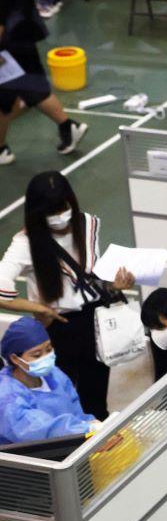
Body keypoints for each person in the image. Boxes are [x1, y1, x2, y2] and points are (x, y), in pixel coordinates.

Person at [0, 172, 134, 419]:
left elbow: (92, 277)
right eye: (52, 211)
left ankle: (97, 440)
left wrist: (114, 286)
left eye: (64, 208)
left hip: (95, 319)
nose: (61, 217)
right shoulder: (26, 243)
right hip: (57, 327)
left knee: (96, 395)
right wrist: (37, 308)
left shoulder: (88, 224)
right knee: (58, 397)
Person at [0, 0, 87, 164]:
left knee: (8, 96)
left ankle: (1, 150)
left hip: (9, 43)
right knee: (29, 89)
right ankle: (68, 127)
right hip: (24, 34)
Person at [0, 316, 95, 444]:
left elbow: (77, 413)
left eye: (49, 349)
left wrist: (92, 423)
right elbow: (37, 428)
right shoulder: (6, 395)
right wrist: (85, 429)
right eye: (37, 355)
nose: (46, 357)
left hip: (70, 447)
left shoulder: (55, 375)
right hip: (32, 458)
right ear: (15, 359)